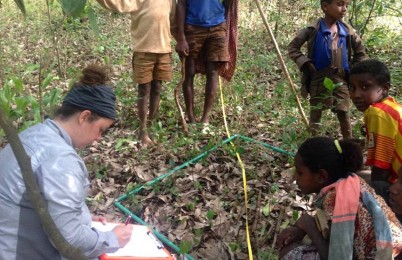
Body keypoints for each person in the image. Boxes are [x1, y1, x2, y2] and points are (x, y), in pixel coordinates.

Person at [0, 64, 133, 259]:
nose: (99, 138)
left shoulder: (32, 135)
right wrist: (112, 239)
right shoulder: (60, 159)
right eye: (101, 130)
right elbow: (69, 241)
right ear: (85, 116)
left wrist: (81, 217)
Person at [276, 137, 402, 259]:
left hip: (383, 255)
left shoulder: (336, 199)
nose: (294, 177)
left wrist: (308, 226)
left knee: (289, 253)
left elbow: (337, 255)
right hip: (392, 247)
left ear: (321, 176)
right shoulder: (353, 182)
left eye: (299, 172)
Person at [96, 0, 176, 147]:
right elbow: (118, 4)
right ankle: (143, 128)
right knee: (144, 89)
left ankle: (151, 123)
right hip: (143, 51)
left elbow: (173, 17)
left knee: (157, 88)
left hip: (164, 50)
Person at [288, 0, 366, 138]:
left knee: (343, 110)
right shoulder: (312, 29)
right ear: (325, 6)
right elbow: (293, 48)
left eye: (347, 5)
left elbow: (360, 52)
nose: (344, 9)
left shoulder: (347, 31)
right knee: (316, 111)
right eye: (340, 4)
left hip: (341, 77)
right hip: (318, 77)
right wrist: (305, 63)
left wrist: (354, 73)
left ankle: (348, 141)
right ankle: (313, 141)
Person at [175, 0, 238, 129]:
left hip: (218, 26)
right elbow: (181, 4)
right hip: (192, 26)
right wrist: (181, 38)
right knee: (189, 71)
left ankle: (205, 119)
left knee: (213, 71)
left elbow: (228, 3)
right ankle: (191, 118)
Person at [349, 59, 402, 203]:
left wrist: (375, 197)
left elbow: (381, 167)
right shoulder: (390, 107)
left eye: (365, 87)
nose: (356, 94)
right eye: (352, 88)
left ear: (384, 88)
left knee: (351, 184)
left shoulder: (377, 113)